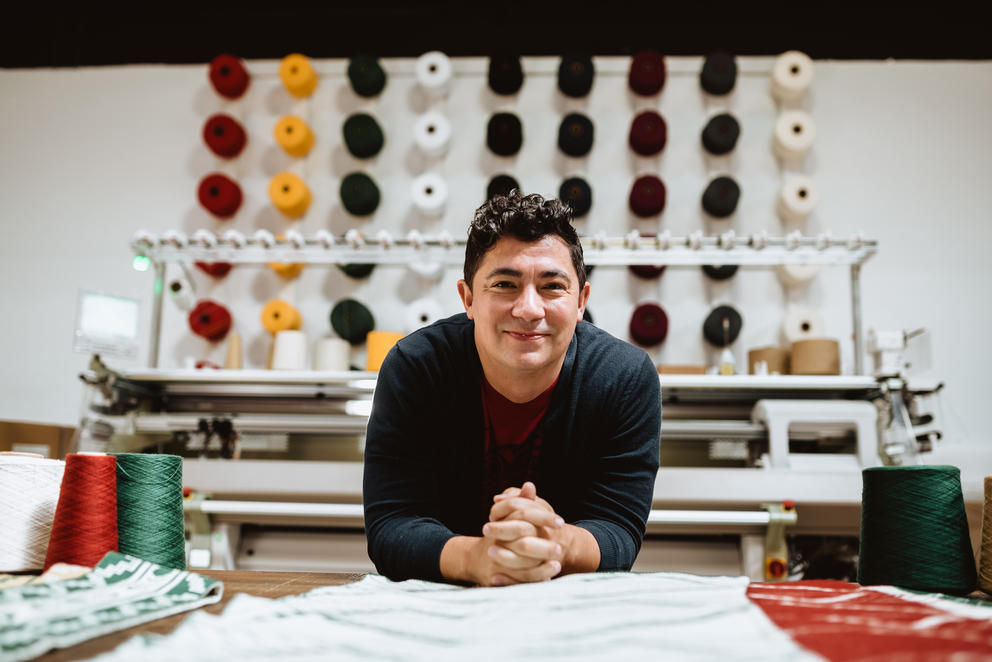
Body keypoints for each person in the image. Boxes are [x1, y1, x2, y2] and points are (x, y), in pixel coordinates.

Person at [363, 190, 661, 586]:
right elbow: (392, 524)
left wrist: (556, 542)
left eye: (552, 286)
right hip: (442, 598)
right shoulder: (415, 367)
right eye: (505, 283)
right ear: (468, 298)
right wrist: (477, 558)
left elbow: (618, 529)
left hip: (573, 605)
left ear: (580, 302)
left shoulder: (625, 378)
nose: (529, 309)